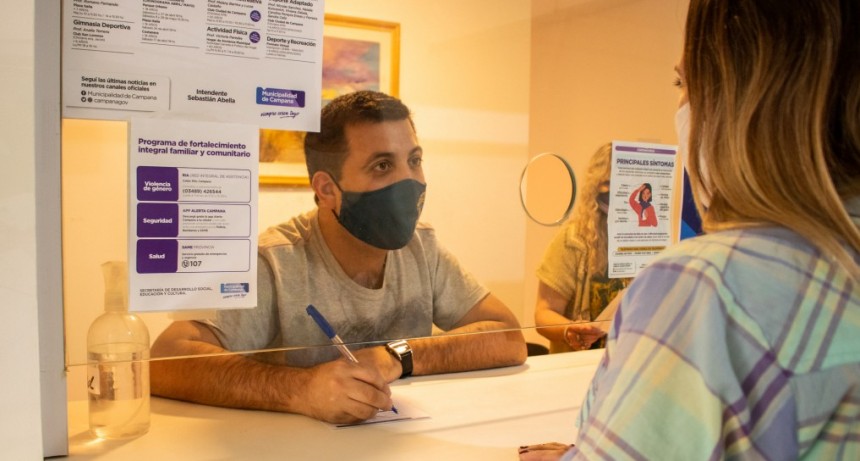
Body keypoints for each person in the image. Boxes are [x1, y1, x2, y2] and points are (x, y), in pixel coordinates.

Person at [521, 0, 860, 458]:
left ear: (743, 96)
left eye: (685, 82)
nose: (681, 105)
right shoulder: (575, 243)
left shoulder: (705, 284)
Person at [151, 91, 527, 424]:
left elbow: (509, 337)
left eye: (414, 160)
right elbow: (165, 360)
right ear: (327, 189)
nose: (408, 181)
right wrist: (300, 390)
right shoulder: (274, 261)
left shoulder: (421, 246)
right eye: (383, 166)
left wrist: (397, 356)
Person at [533, 144, 631, 353]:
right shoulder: (573, 240)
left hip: (629, 368)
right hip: (579, 368)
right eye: (609, 184)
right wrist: (570, 330)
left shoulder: (648, 241)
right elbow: (544, 313)